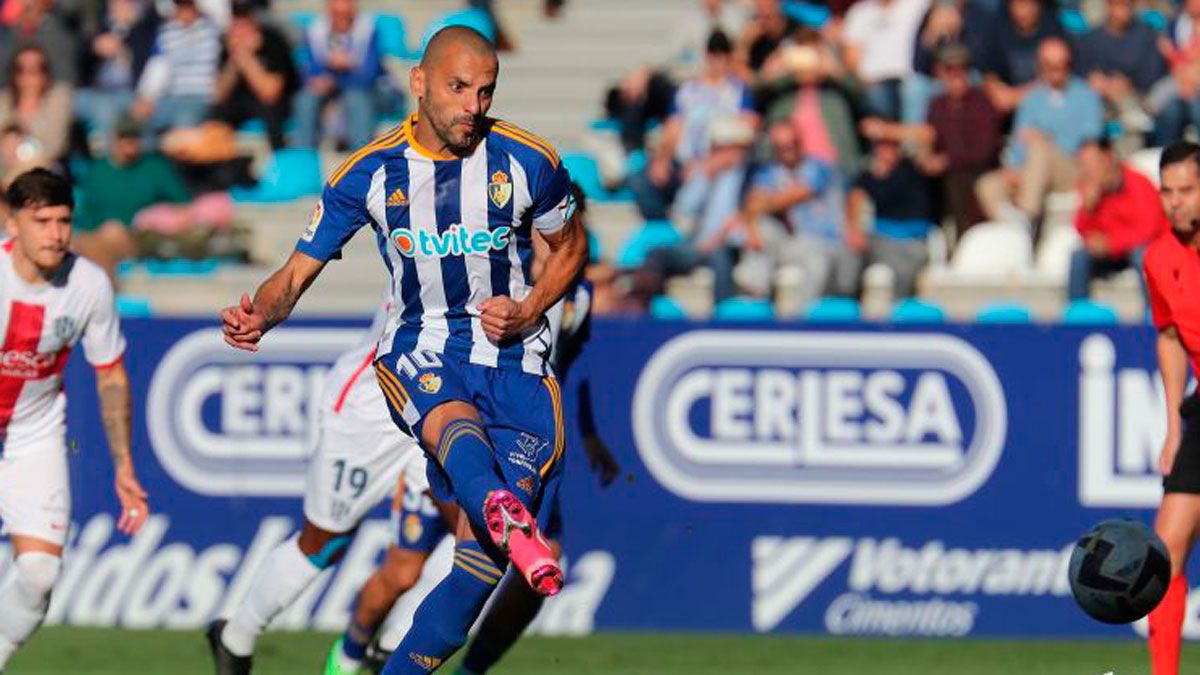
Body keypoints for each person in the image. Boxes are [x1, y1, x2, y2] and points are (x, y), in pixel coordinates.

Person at [218, 25, 586, 675]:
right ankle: (247, 638)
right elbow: (296, 272)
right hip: (417, 354)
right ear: (417, 83)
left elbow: (570, 247)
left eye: (486, 91)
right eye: (457, 88)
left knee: (479, 561)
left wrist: (530, 308)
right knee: (332, 535)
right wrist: (261, 316)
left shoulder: (527, 161)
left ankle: (403, 655)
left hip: (508, 357)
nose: (474, 105)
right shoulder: (369, 172)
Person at [322, 185, 619, 675]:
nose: (555, 239)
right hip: (457, 433)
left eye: (567, 231)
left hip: (522, 437)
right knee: (404, 568)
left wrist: (587, 433)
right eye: (547, 229)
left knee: (513, 566)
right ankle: (350, 654)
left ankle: (463, 667)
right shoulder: (485, 280)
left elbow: (572, 363)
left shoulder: (576, 299)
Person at [207, 300, 443, 675]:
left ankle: (389, 651)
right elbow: (307, 261)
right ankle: (236, 637)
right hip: (377, 404)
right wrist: (265, 311)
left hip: (452, 404)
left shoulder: (550, 268)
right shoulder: (440, 242)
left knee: (481, 530)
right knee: (324, 543)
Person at [0, 168, 150, 670]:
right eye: (41, 221)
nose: (55, 234)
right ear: (12, 222)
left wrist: (124, 466)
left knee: (40, 572)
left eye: (63, 220)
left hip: (32, 432)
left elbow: (110, 377)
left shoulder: (87, 284)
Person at [1143, 140, 1200, 675]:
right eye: (1167, 191)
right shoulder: (1159, 258)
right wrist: (1172, 428)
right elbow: (1169, 335)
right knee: (1166, 550)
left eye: (1186, 190)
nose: (1175, 202)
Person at [975, 37, 1103, 228]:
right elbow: (1020, 141)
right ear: (1040, 66)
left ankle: (1028, 216)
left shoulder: (1087, 97)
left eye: (1062, 64)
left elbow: (1089, 145)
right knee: (987, 185)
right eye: (1050, 65)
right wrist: (1013, 168)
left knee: (1039, 148)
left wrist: (1048, 140)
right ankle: (1014, 230)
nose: (1056, 70)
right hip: (1031, 170)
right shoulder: (1031, 99)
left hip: (1070, 168)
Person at [1068, 138, 1168, 302]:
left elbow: (1149, 229)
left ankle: (1153, 314)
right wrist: (1088, 208)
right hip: (1110, 254)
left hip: (1138, 250)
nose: (1088, 169)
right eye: (1084, 164)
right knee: (1079, 256)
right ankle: (1077, 316)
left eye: (1092, 162)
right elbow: (1081, 230)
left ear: (1108, 158)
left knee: (1142, 256)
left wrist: (1111, 244)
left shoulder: (1138, 183)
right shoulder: (1091, 188)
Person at [294, 0, 386, 150]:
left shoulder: (368, 30)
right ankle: (304, 159)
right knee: (305, 100)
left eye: (345, 13)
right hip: (330, 90)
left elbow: (369, 75)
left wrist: (342, 71)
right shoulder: (315, 31)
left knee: (356, 99)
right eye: (336, 13)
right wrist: (327, 75)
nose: (341, 18)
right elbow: (309, 73)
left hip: (364, 90)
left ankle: (360, 160)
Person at [209, 0, 298, 149]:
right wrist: (234, 60)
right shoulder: (227, 43)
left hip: (276, 103)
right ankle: (221, 163)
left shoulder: (273, 41)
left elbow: (269, 92)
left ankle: (279, 159)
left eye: (244, 25)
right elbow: (219, 93)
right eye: (236, 25)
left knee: (271, 111)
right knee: (217, 113)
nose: (240, 31)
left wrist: (247, 59)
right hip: (241, 103)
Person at [0, 45, 72, 170]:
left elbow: (55, 144)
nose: (28, 76)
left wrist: (24, 152)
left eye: (35, 69)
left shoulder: (58, 98)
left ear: (45, 73)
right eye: (21, 69)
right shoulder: (4, 101)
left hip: (44, 168)